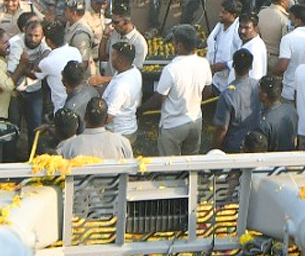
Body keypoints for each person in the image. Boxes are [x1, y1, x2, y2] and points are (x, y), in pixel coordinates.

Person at [142, 24, 213, 155]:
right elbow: (208, 91)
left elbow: (159, 98)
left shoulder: (171, 69)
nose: (173, 44)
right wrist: (194, 100)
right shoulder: (204, 63)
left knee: (170, 166)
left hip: (173, 125)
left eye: (174, 42)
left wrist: (141, 109)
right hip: (195, 121)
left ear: (179, 45)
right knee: (190, 163)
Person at [57, 96, 132, 161]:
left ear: (85, 117)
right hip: (116, 178)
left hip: (81, 178)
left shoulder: (69, 146)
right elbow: (131, 172)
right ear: (107, 119)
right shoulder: (123, 143)